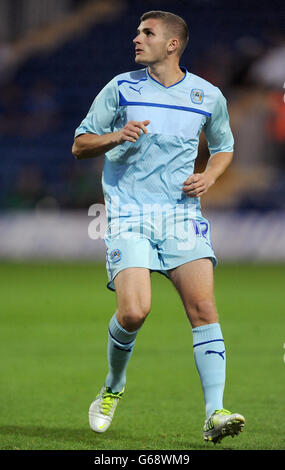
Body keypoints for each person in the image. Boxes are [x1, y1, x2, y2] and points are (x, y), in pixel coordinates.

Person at [72, 10, 245, 444]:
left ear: (172, 44)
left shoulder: (207, 95)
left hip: (182, 216)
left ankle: (215, 413)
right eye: (137, 31)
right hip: (130, 215)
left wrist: (210, 176)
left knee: (204, 310)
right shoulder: (120, 88)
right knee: (134, 312)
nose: (136, 38)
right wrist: (115, 136)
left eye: (146, 33)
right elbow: (80, 144)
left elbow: (224, 146)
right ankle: (113, 386)